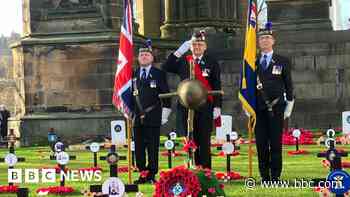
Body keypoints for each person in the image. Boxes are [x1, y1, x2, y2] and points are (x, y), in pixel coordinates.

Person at [162, 31, 222, 169]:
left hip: (205, 106)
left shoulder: (212, 62)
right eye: (194, 44)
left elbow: (217, 84)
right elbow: (166, 66)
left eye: (200, 44)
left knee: (204, 140)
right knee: (190, 140)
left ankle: (206, 171)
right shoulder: (184, 61)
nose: (197, 47)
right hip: (186, 106)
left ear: (205, 46)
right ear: (190, 46)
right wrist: (179, 51)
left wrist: (217, 106)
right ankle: (192, 168)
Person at [254, 22, 294, 181]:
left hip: (277, 107)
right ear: (258, 41)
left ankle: (275, 175)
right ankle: (264, 176)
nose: (264, 40)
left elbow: (288, 84)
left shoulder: (282, 61)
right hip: (258, 108)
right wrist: (246, 105)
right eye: (262, 38)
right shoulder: (252, 61)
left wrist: (289, 105)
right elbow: (245, 85)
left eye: (267, 38)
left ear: (273, 41)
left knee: (276, 144)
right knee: (261, 144)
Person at [132, 40, 171, 184]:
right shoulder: (133, 74)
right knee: (139, 148)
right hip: (137, 117)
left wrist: (165, 114)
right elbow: (129, 96)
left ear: (152, 57)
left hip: (153, 116)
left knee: (153, 147)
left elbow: (166, 95)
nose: (144, 56)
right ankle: (142, 174)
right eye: (141, 54)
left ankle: (152, 174)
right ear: (138, 57)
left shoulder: (158, 74)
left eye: (147, 54)